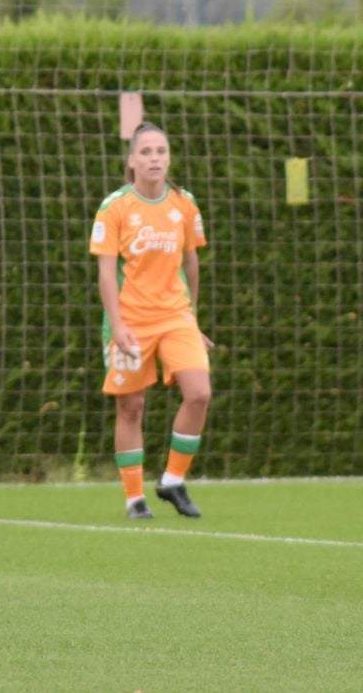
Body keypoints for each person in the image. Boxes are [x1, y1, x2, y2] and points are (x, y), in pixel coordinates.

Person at [89, 121, 214, 520]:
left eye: (160, 151)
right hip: (131, 320)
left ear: (169, 157)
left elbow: (192, 262)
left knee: (199, 393)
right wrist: (118, 325)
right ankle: (133, 498)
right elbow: (107, 274)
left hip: (177, 317)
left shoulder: (184, 203)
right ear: (132, 161)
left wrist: (192, 316)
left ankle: (172, 481)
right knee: (131, 407)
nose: (154, 158)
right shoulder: (115, 208)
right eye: (146, 152)